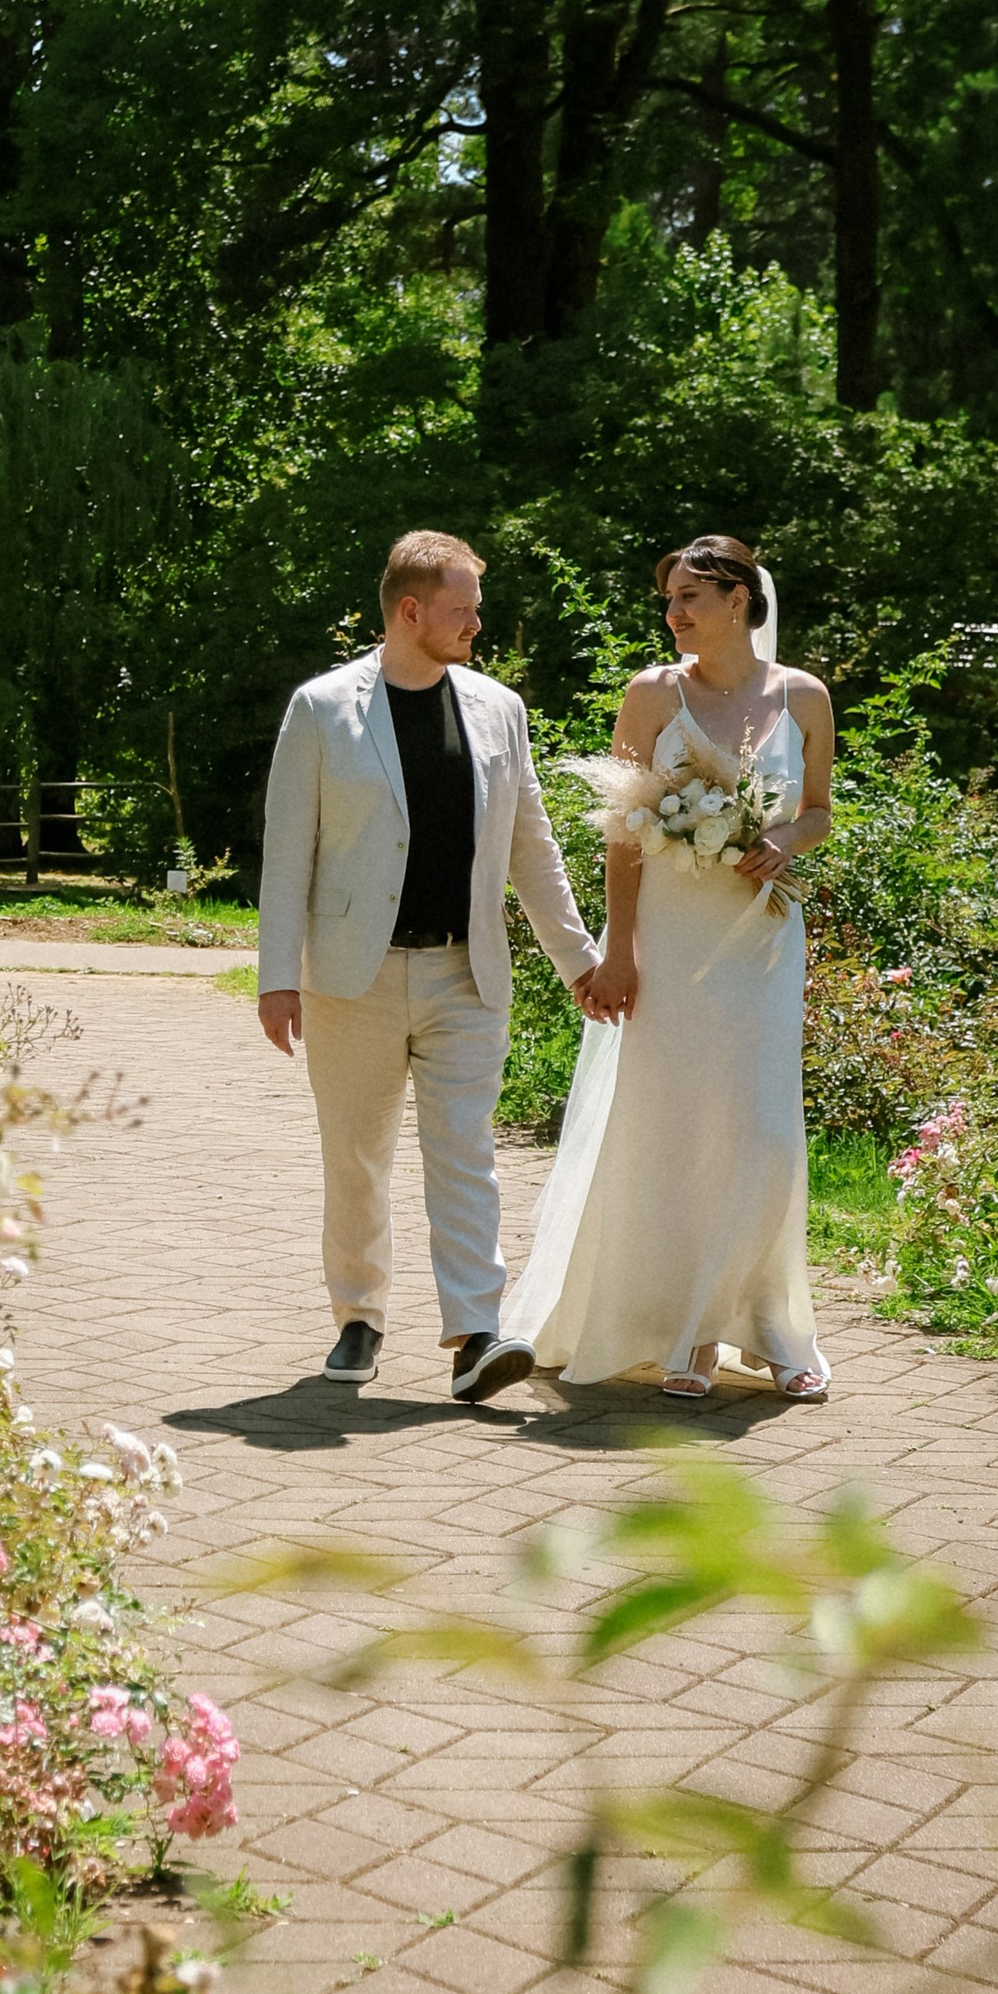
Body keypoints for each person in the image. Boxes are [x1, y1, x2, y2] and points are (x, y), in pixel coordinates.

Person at [257, 530, 598, 1402]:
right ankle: (359, 1317)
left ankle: (475, 1335)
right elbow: (288, 851)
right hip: (350, 978)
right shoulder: (323, 708)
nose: (476, 624)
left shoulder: (499, 709)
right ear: (411, 612)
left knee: (465, 1153)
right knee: (358, 1157)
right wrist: (276, 976)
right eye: (461, 610)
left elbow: (533, 846)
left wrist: (580, 961)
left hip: (465, 973)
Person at [503, 534, 834, 1399]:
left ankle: (766, 1324)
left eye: (692, 596)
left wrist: (782, 841)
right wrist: (619, 952)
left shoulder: (804, 696)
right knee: (676, 1129)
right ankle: (683, 1331)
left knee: (761, 1130)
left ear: (740, 601)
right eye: (670, 598)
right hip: (669, 941)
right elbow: (622, 834)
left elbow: (819, 814)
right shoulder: (653, 694)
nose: (675, 611)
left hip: (759, 939)